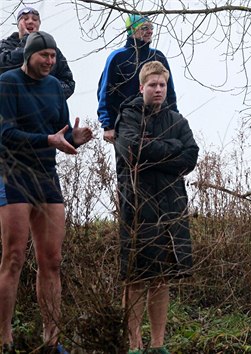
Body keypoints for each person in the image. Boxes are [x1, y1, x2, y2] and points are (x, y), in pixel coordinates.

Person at [0, 31, 93, 354]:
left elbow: (61, 133)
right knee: (13, 257)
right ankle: (5, 339)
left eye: (53, 56)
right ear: (29, 56)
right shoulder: (8, 82)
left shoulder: (55, 87)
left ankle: (51, 340)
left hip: (47, 176)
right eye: (44, 56)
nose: (50, 62)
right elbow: (5, 133)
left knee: (51, 260)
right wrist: (47, 141)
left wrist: (76, 138)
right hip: (14, 173)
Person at [114, 61, 199, 354]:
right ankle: (135, 345)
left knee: (162, 278)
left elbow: (190, 157)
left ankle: (158, 345)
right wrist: (171, 148)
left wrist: (159, 149)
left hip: (171, 204)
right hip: (137, 204)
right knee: (137, 278)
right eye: (153, 85)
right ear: (142, 87)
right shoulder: (127, 117)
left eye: (162, 84)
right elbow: (133, 152)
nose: (158, 89)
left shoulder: (177, 120)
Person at [97, 14, 177, 144]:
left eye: (151, 27)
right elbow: (105, 92)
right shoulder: (118, 57)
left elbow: (170, 91)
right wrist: (108, 125)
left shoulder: (158, 56)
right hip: (126, 123)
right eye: (144, 28)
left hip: (158, 123)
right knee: (129, 162)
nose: (150, 31)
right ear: (132, 30)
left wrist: (175, 120)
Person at [0, 7, 75, 99]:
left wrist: (45, 89)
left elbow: (68, 83)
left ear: (39, 24)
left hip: (44, 109)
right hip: (12, 105)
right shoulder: (5, 46)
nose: (30, 21)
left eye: (35, 19)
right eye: (25, 18)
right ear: (18, 24)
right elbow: (5, 66)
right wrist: (27, 40)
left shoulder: (52, 50)